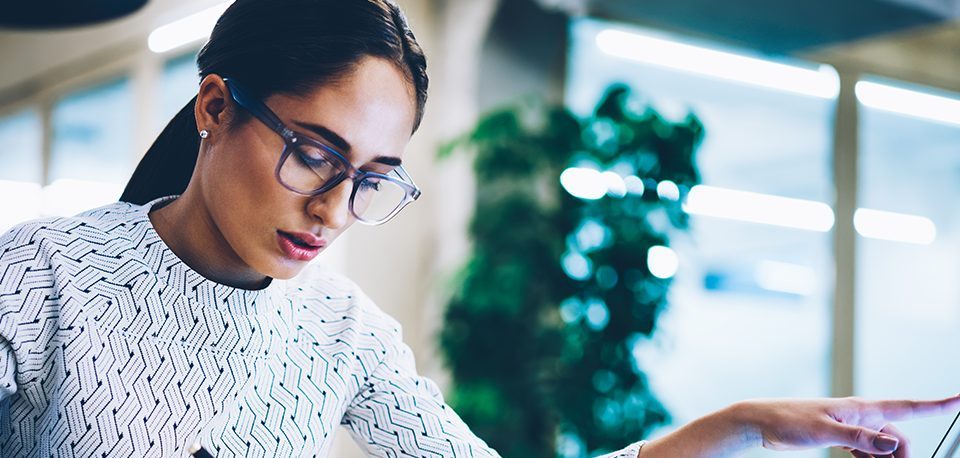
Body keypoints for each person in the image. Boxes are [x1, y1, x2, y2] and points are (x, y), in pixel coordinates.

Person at [0, 0, 956, 457]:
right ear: (215, 108)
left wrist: (741, 423)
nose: (334, 212)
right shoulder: (43, 274)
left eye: (372, 178)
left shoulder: (340, 332)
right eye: (312, 154)